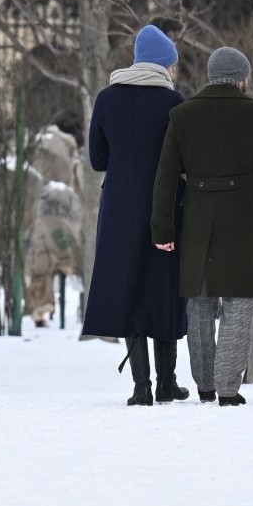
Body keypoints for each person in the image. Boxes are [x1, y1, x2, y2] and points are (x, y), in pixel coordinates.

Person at [150, 47, 253, 406]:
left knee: (198, 303)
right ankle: (228, 388)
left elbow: (165, 177)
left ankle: (205, 385)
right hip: (242, 217)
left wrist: (162, 229)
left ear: (210, 75)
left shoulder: (182, 115)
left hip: (197, 217)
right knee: (239, 302)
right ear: (242, 78)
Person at [81, 25, 189, 406]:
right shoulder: (173, 103)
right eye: (172, 64)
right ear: (163, 64)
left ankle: (141, 387)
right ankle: (167, 382)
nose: (174, 71)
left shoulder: (107, 99)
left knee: (129, 288)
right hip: (165, 206)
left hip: (119, 208)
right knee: (162, 287)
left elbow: (98, 158)